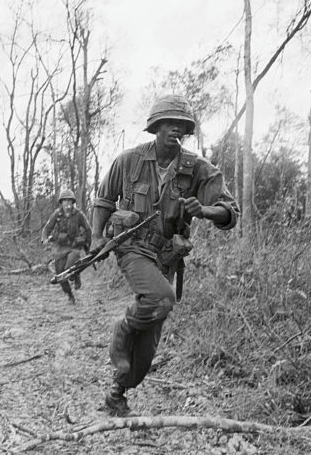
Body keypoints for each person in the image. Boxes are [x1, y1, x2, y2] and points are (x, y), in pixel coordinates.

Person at [90, 94, 240, 416]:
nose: (176, 130)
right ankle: (124, 325)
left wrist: (207, 211)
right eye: (169, 124)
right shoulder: (128, 160)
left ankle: (117, 393)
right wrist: (95, 237)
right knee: (162, 299)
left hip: (166, 257)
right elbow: (103, 200)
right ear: (155, 127)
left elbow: (231, 211)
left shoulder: (197, 169)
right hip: (132, 249)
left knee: (146, 352)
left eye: (182, 126)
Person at [42, 189, 92, 304]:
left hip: (74, 246)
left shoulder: (78, 214)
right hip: (60, 247)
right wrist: (44, 239)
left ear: (73, 202)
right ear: (61, 202)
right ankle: (70, 295)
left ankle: (75, 274)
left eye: (69, 201)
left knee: (69, 267)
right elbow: (47, 228)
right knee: (60, 274)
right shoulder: (57, 214)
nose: (67, 203)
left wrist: (88, 244)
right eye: (65, 201)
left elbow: (88, 229)